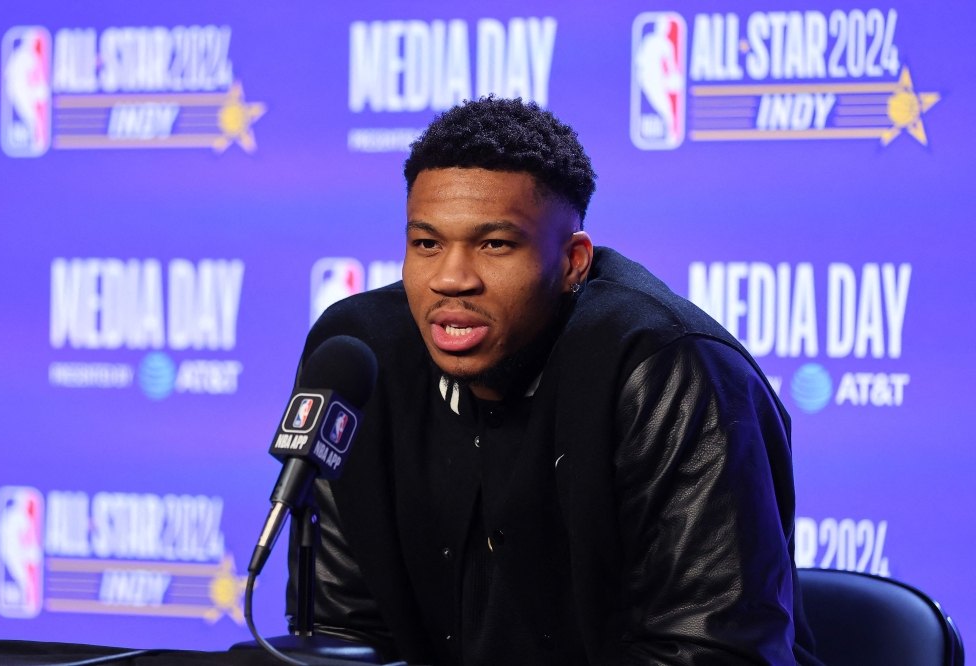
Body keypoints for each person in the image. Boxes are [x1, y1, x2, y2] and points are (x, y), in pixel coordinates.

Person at [288, 97, 823, 666]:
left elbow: (713, 653)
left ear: (572, 262)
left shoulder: (668, 369)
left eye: (495, 244)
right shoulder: (360, 355)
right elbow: (342, 634)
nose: (450, 278)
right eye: (427, 244)